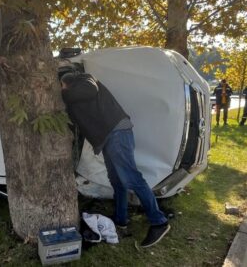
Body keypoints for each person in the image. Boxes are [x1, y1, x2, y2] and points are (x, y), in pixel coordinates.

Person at [60, 72, 170, 248]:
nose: (62, 91)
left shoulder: (85, 80)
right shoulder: (74, 99)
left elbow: (89, 90)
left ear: (66, 83)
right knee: (117, 181)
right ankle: (121, 219)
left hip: (116, 132)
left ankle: (159, 222)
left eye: (62, 86)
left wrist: (62, 94)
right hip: (107, 138)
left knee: (131, 178)